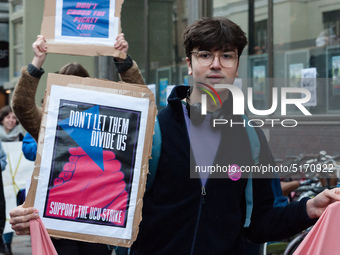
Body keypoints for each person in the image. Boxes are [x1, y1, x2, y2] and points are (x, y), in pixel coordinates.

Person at [9, 17, 340, 255]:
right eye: (205, 55)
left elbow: (261, 223)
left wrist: (310, 207)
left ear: (238, 65)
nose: (215, 65)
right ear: (189, 62)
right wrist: (39, 218)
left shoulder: (251, 138)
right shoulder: (151, 129)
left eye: (226, 56)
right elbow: (93, 199)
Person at [9, 33, 144, 255]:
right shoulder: (48, 123)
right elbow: (22, 105)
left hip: (95, 217)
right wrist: (36, 62)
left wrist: (123, 60)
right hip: (60, 219)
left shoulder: (106, 122)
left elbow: (139, 102)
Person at [0, 106, 23, 255]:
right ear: (2, 119)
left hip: (16, 180)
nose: (11, 120)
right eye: (8, 117)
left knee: (11, 210)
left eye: (14, 117)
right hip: (2, 180)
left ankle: (7, 243)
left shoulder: (21, 137)